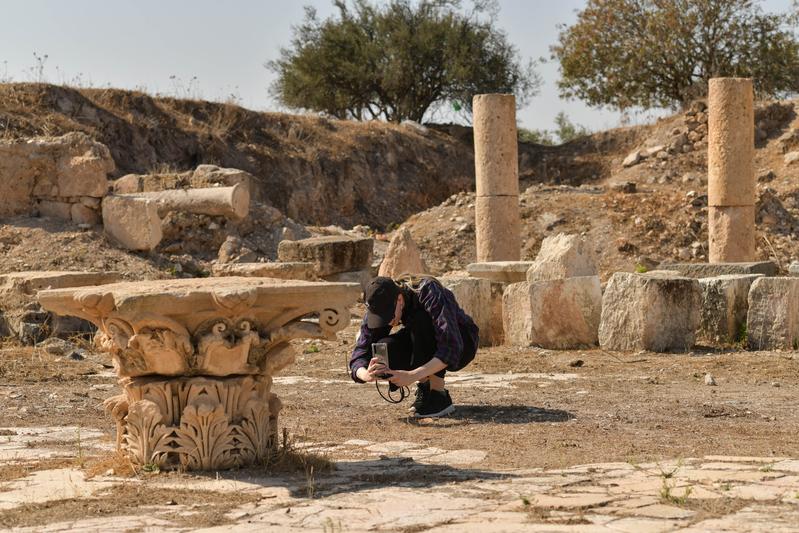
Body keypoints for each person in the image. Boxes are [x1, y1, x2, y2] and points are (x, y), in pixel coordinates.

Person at [349, 275, 479, 418]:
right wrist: (366, 375)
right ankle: (425, 388)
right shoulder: (376, 305)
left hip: (462, 343)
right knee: (384, 347)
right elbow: (360, 353)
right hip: (428, 339)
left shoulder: (428, 290)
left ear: (399, 299)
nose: (387, 321)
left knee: (421, 320)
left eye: (388, 315)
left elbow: (451, 347)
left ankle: (438, 395)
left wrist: (413, 375)